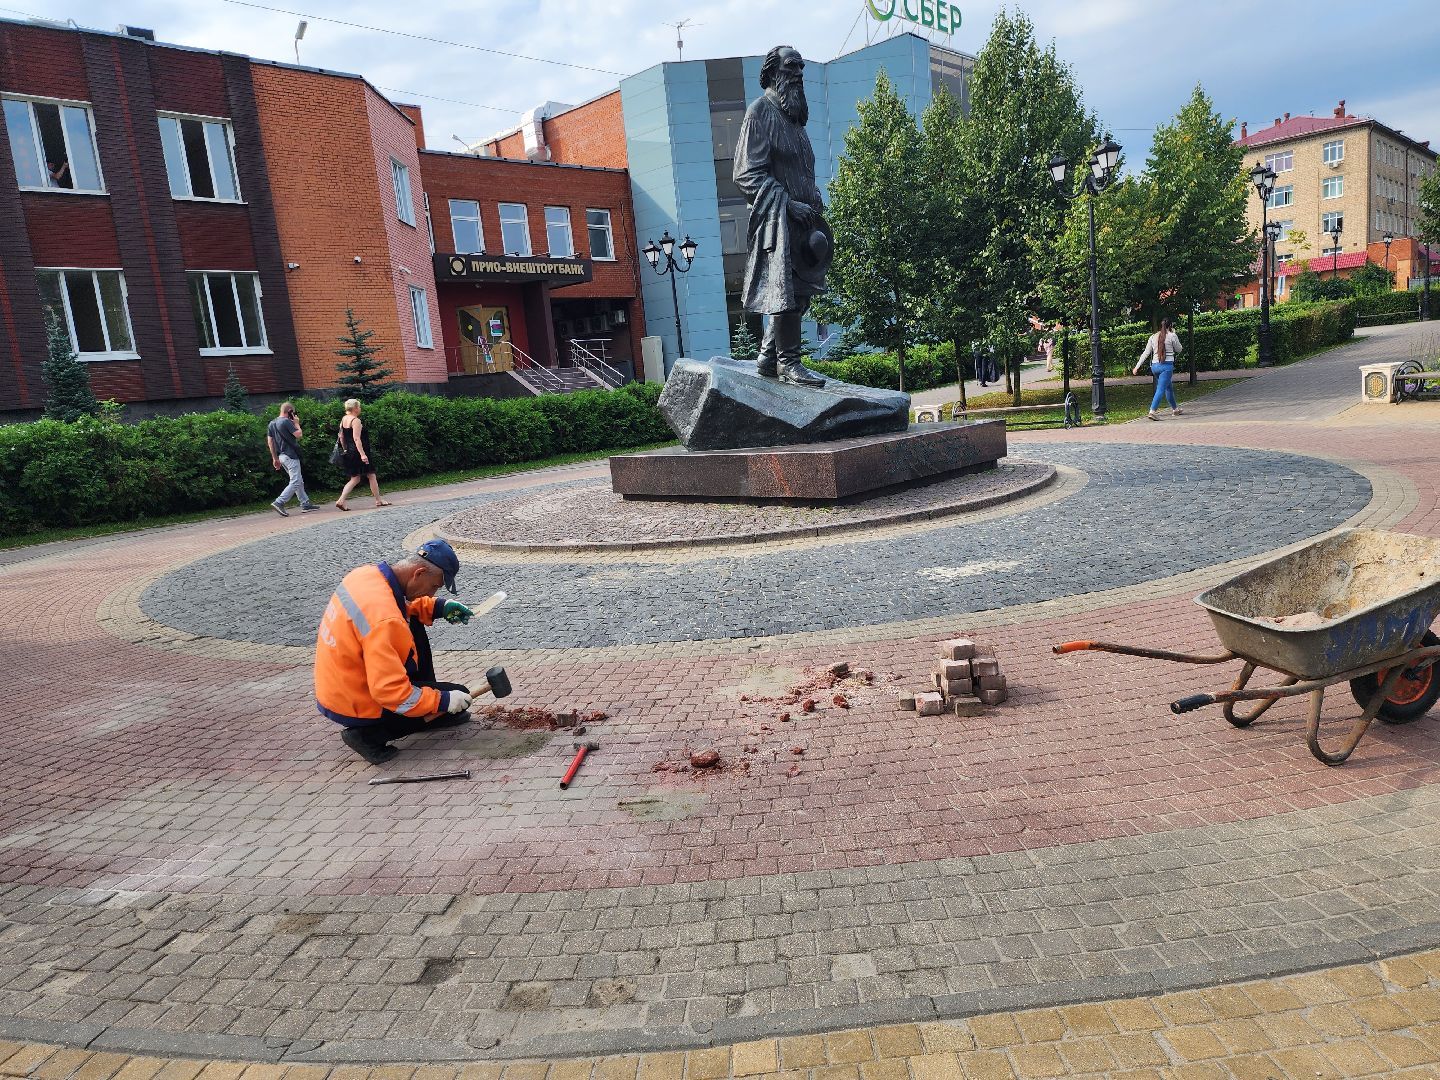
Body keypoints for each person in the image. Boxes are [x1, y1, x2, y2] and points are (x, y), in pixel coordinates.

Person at [315, 539, 479, 765]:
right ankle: (366, 735)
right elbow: (391, 693)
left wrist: (439, 607)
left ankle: (426, 709)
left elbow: (400, 605)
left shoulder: (366, 575)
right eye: (434, 587)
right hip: (358, 702)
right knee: (457, 694)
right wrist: (440, 701)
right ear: (419, 573)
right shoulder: (386, 620)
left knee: (411, 623)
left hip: (339, 686)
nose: (431, 594)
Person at [733, 45, 830, 388]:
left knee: (800, 294)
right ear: (774, 73)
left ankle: (767, 356)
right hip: (778, 222)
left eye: (801, 67)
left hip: (805, 223)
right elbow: (747, 174)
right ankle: (788, 362)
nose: (799, 74)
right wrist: (788, 204)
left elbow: (800, 172)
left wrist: (813, 197)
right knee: (786, 292)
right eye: (792, 67)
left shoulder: (795, 121)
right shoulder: (760, 112)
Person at [334, 398, 392, 511]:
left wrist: (346, 449)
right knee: (371, 475)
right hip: (359, 452)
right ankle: (378, 500)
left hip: (350, 452)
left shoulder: (344, 419)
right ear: (355, 408)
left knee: (355, 478)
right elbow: (357, 439)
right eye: (359, 407)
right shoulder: (356, 421)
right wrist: (363, 455)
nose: (360, 409)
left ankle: (341, 500)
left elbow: (341, 437)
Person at [266, 402, 318, 517]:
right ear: (289, 411)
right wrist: (297, 423)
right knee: (295, 481)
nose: (294, 415)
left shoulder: (272, 423)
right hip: (291, 455)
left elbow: (270, 442)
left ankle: (305, 503)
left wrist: (275, 458)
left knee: (298, 480)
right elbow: (298, 435)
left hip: (282, 456)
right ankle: (279, 502)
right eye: (293, 413)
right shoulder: (286, 422)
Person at [1133, 317, 1184, 420]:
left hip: (1155, 367)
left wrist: (1137, 367)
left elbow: (1146, 353)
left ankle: (1175, 409)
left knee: (1168, 387)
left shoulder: (1153, 337)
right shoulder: (1172, 336)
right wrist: (1174, 334)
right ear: (1170, 326)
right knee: (1161, 388)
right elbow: (1179, 349)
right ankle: (1152, 411)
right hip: (1166, 367)